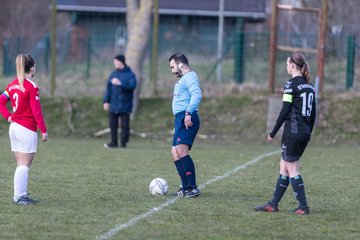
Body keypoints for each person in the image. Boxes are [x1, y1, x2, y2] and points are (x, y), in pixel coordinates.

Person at [254, 53, 316, 215]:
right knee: (284, 167)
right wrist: (308, 131)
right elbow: (313, 114)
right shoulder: (310, 86)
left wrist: (272, 132)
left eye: (287, 64)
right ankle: (273, 204)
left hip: (293, 133)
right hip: (304, 133)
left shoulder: (290, 85)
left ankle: (303, 207)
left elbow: (285, 111)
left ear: (293, 66)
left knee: (292, 168)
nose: (286, 66)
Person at [0, 54, 48, 205]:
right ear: (32, 67)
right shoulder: (32, 86)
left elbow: (1, 102)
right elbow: (36, 111)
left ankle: (19, 195)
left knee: (20, 164)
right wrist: (43, 129)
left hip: (14, 128)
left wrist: (8, 116)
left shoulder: (12, 84)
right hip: (25, 129)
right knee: (24, 165)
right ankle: (19, 197)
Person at [168, 53, 202, 198]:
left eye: (173, 66)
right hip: (180, 118)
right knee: (175, 153)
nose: (172, 70)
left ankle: (192, 187)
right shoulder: (184, 79)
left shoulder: (190, 77)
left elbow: (197, 94)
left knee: (181, 151)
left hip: (187, 117)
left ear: (181, 64)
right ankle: (185, 187)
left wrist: (188, 113)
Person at [103, 54, 137, 149]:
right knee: (112, 124)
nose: (115, 64)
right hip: (114, 104)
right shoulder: (113, 74)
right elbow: (108, 89)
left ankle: (123, 143)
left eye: (116, 62)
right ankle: (113, 142)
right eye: (114, 62)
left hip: (125, 104)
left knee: (124, 125)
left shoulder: (130, 74)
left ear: (121, 62)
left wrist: (120, 84)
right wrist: (106, 101)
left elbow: (132, 86)